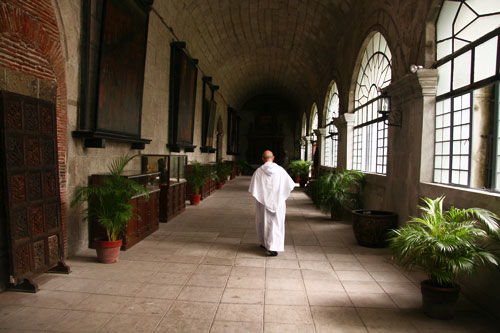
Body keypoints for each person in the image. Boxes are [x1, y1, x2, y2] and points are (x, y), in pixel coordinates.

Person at [248, 150, 295, 256]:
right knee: (276, 223)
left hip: (264, 203)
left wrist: (263, 197)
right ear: (273, 158)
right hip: (278, 202)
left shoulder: (259, 171)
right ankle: (270, 245)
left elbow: (254, 189)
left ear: (263, 159)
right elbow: (290, 185)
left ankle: (268, 245)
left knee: (264, 222)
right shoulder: (281, 170)